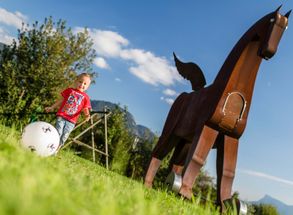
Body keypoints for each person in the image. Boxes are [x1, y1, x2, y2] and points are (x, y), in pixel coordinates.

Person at [45, 73, 92, 152]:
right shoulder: (70, 91)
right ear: (76, 81)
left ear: (87, 87)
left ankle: (57, 149)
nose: (82, 84)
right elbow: (61, 100)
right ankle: (51, 146)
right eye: (80, 82)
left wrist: (87, 115)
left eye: (85, 84)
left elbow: (85, 108)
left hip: (72, 120)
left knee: (65, 136)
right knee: (58, 131)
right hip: (62, 115)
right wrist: (52, 107)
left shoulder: (86, 97)